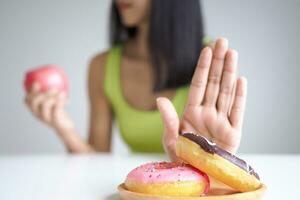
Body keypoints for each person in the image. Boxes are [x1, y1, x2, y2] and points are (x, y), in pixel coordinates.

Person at [25, 0, 247, 161]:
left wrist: (214, 156)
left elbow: (218, 153)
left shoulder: (210, 61)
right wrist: (64, 127)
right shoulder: (101, 66)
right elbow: (96, 163)